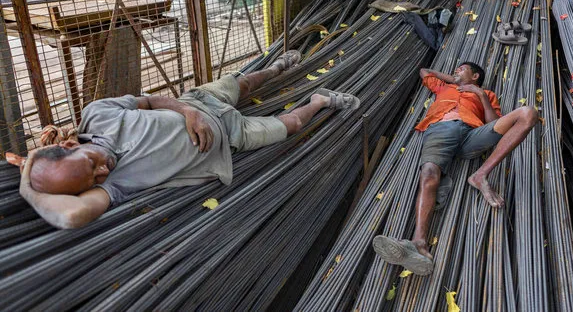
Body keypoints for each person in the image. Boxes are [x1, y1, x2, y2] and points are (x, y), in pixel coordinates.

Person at [9, 51, 360, 229]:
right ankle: (321, 101)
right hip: (228, 137)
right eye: (93, 180)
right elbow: (72, 216)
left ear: (70, 146)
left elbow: (148, 101)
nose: (103, 171)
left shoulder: (97, 114)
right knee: (289, 126)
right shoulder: (114, 185)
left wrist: (187, 112)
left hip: (197, 102)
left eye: (90, 164)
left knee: (246, 82)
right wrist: (28, 183)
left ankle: (280, 65)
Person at [372, 63, 537, 276]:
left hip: (473, 135)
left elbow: (494, 123)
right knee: (429, 173)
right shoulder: (444, 87)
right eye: (456, 69)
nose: (457, 70)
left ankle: (480, 175)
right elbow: (424, 72)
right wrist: (454, 79)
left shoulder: (487, 93)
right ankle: (419, 242)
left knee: (528, 112)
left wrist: (480, 94)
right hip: (442, 128)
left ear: (476, 75)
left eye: (463, 68)